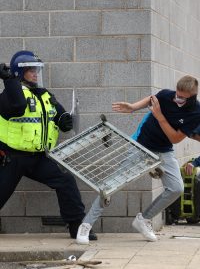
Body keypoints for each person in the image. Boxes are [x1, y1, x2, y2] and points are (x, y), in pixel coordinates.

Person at [76, 75, 200, 244]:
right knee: (112, 184)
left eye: (182, 98)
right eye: (177, 95)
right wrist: (133, 107)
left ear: (192, 98)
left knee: (176, 188)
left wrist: (159, 116)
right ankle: (86, 225)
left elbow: (175, 138)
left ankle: (144, 219)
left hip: (164, 149)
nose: (177, 99)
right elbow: (151, 99)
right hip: (141, 144)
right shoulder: (166, 95)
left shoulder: (195, 112)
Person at [0, 50, 97, 240]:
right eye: (31, 70)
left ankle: (76, 226)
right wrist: (9, 80)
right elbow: (18, 106)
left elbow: (59, 115)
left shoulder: (45, 96)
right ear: (19, 73)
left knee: (65, 180)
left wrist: (65, 119)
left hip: (36, 158)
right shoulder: (8, 96)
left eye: (37, 70)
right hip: (11, 158)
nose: (36, 74)